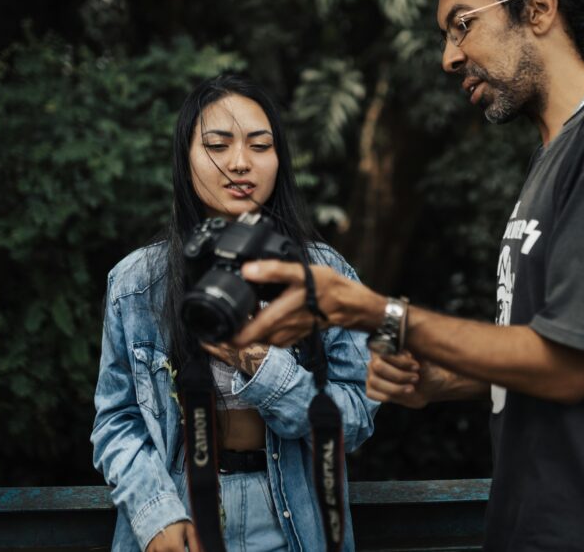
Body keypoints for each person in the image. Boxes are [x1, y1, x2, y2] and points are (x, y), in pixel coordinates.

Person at [233, 0, 584, 551]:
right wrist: (446, 378)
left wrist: (379, 313)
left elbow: (570, 368)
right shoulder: (558, 152)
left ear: (538, 9)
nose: (448, 56)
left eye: (462, 23)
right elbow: (569, 348)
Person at [91, 73, 378, 552]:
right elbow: (116, 422)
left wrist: (261, 362)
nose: (240, 163)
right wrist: (153, 515)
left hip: (295, 517)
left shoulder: (325, 276)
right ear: (186, 159)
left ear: (278, 160)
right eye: (217, 146)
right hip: (180, 513)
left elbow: (355, 422)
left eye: (259, 146)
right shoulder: (138, 282)